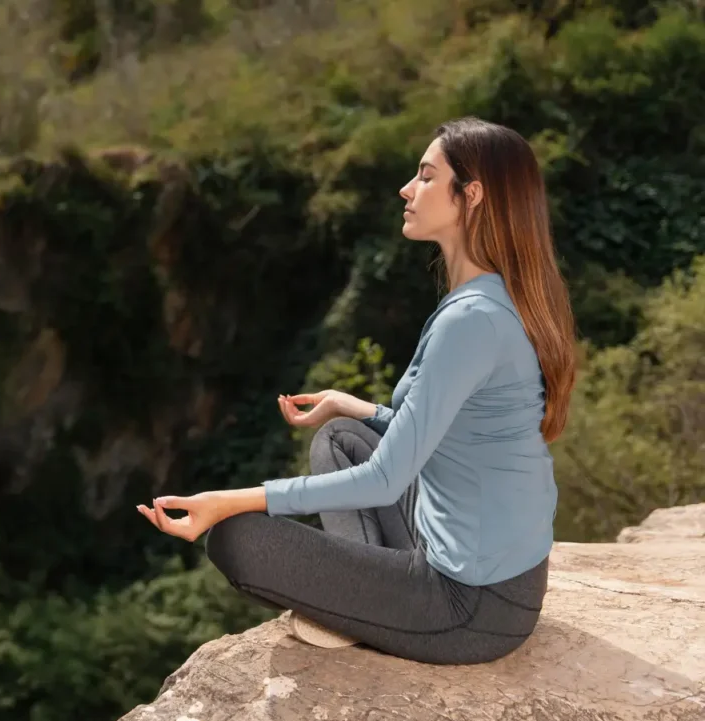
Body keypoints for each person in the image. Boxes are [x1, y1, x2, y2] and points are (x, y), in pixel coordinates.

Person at [137, 116, 577, 664]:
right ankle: (367, 598)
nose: (406, 189)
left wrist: (229, 502)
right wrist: (357, 405)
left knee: (234, 540)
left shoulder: (472, 321)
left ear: (472, 194)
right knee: (343, 435)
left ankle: (364, 605)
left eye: (425, 176)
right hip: (492, 568)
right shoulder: (490, 298)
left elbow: (386, 478)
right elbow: (447, 437)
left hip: (471, 606)